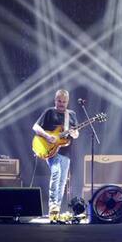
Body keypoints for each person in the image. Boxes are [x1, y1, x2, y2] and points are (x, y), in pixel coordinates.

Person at [32, 89, 79, 222]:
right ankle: (52, 205)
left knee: (63, 181)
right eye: (59, 101)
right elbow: (35, 127)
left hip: (66, 152)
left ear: (67, 102)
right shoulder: (49, 112)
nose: (61, 104)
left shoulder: (71, 115)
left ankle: (56, 209)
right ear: (55, 100)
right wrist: (47, 136)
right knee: (56, 174)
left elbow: (75, 133)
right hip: (51, 150)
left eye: (64, 102)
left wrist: (75, 134)